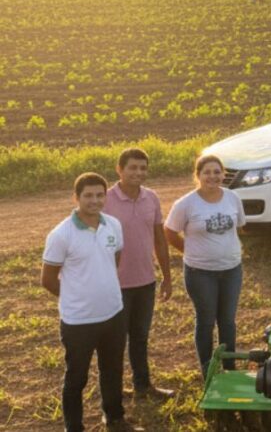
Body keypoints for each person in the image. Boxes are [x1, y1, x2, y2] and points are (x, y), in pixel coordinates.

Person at [42, 173, 142, 432]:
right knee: (77, 377)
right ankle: (74, 426)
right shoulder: (61, 234)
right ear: (76, 198)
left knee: (112, 370)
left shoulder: (113, 225)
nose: (94, 200)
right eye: (88, 195)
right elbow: (48, 279)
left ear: (105, 197)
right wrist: (77, 298)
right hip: (79, 322)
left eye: (100, 195)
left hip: (113, 314)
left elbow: (114, 260)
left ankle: (115, 418)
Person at [103, 148, 175, 401]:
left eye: (143, 168)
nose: (138, 173)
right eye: (132, 167)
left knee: (140, 337)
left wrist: (166, 275)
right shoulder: (106, 199)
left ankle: (143, 386)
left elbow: (159, 239)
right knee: (114, 341)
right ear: (119, 169)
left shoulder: (151, 198)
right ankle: (112, 392)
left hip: (145, 281)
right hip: (114, 284)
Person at [164, 155, 246, 376]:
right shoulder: (186, 204)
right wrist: (189, 250)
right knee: (206, 320)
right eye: (207, 172)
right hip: (200, 273)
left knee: (228, 321)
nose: (212, 176)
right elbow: (169, 232)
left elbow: (238, 227)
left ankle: (230, 368)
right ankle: (208, 371)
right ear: (198, 175)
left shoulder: (232, 198)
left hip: (231, 270)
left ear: (223, 174)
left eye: (217, 172)